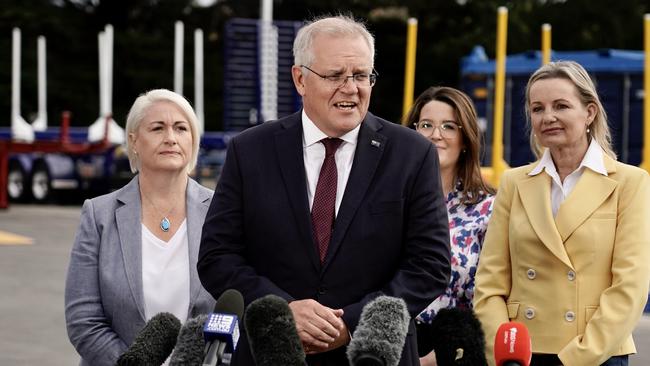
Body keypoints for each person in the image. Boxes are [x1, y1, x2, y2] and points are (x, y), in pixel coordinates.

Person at [198, 15, 451, 366]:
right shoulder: (249, 151)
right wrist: (282, 311)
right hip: (271, 351)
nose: (351, 88)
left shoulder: (411, 153)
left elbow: (430, 265)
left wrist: (350, 322)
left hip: (374, 355)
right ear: (300, 79)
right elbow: (217, 257)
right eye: (335, 75)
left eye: (361, 75)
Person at [473, 61, 650, 366]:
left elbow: (630, 287)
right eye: (537, 108)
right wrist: (503, 350)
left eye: (561, 106)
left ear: (589, 113)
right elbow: (489, 285)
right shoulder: (514, 183)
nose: (548, 117)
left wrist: (577, 358)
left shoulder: (629, 183)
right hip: (522, 357)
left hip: (596, 355)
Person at [64, 89, 215, 366]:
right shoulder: (98, 214)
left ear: (192, 140)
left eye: (181, 128)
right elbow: (83, 321)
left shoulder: (221, 211)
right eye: (158, 128)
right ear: (133, 141)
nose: (171, 137)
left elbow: (238, 310)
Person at [407, 86, 495, 366]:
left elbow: (496, 294)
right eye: (426, 125)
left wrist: (437, 358)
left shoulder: (489, 209)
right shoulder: (388, 202)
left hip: (458, 349)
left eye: (448, 126)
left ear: (466, 138)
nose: (436, 135)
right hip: (397, 345)